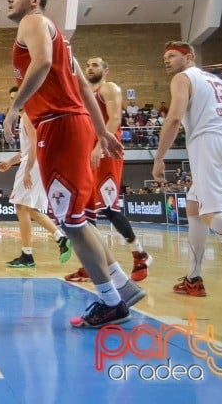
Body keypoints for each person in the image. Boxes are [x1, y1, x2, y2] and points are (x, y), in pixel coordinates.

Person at [3, 0, 141, 329]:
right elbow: (81, 87)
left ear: (35, 1)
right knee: (78, 218)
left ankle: (111, 301)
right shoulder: (60, 37)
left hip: (59, 124)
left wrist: (15, 107)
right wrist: (101, 131)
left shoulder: (32, 22)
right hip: (74, 123)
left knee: (73, 223)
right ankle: (121, 285)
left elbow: (43, 63)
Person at [153, 42, 222, 308]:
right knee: (193, 206)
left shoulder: (183, 77)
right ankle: (193, 278)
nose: (167, 61)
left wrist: (159, 157)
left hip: (209, 142)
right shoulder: (217, 81)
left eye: (172, 56)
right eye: (164, 57)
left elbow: (174, 118)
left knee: (211, 211)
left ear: (188, 57)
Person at [66, 57, 152, 283]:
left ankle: (140, 253)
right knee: (87, 213)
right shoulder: (84, 93)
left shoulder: (109, 88)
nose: (89, 68)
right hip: (89, 153)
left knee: (108, 207)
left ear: (106, 70)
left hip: (106, 151)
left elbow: (115, 118)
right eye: (88, 65)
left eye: (95, 65)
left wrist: (99, 145)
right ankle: (91, 265)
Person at [0, 88, 70, 268]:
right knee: (26, 208)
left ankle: (38, 248)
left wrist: (28, 169)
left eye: (17, 97)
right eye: (12, 98)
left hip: (33, 166)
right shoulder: (25, 117)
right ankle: (53, 241)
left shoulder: (29, 116)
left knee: (22, 207)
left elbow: (37, 145)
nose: (15, 101)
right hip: (34, 164)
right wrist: (10, 162)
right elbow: (26, 150)